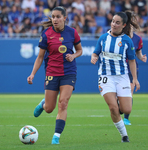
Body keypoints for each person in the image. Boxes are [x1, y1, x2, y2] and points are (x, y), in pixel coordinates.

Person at [27, 6, 83, 145]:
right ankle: (43, 104)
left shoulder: (72, 32)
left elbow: (80, 50)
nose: (55, 19)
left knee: (63, 103)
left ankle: (56, 136)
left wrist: (74, 55)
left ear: (65, 18)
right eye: (53, 17)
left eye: (58, 16)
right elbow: (40, 57)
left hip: (69, 73)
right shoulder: (46, 34)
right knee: (49, 109)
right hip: (52, 73)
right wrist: (32, 74)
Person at [91, 11, 140, 142]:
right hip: (106, 76)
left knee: (126, 109)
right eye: (113, 21)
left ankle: (118, 102)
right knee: (113, 108)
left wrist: (134, 79)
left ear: (124, 25)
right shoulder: (103, 38)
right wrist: (94, 58)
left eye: (117, 23)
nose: (114, 24)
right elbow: (95, 53)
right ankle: (124, 135)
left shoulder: (127, 41)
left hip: (122, 77)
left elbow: (131, 61)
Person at [123, 27, 147, 125]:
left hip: (132, 69)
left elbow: (138, 53)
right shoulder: (120, 37)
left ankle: (126, 118)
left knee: (130, 91)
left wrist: (141, 57)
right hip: (120, 68)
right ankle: (120, 107)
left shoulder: (138, 39)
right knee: (119, 93)